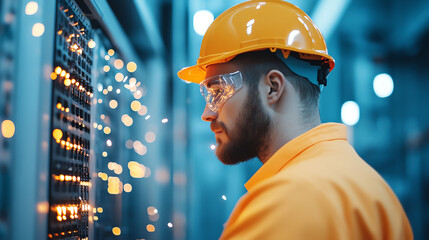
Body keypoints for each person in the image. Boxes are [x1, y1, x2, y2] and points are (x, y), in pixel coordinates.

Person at [178, 0, 413, 239]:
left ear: (272, 88)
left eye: (218, 91)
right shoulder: (375, 191)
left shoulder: (285, 201)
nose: (207, 113)